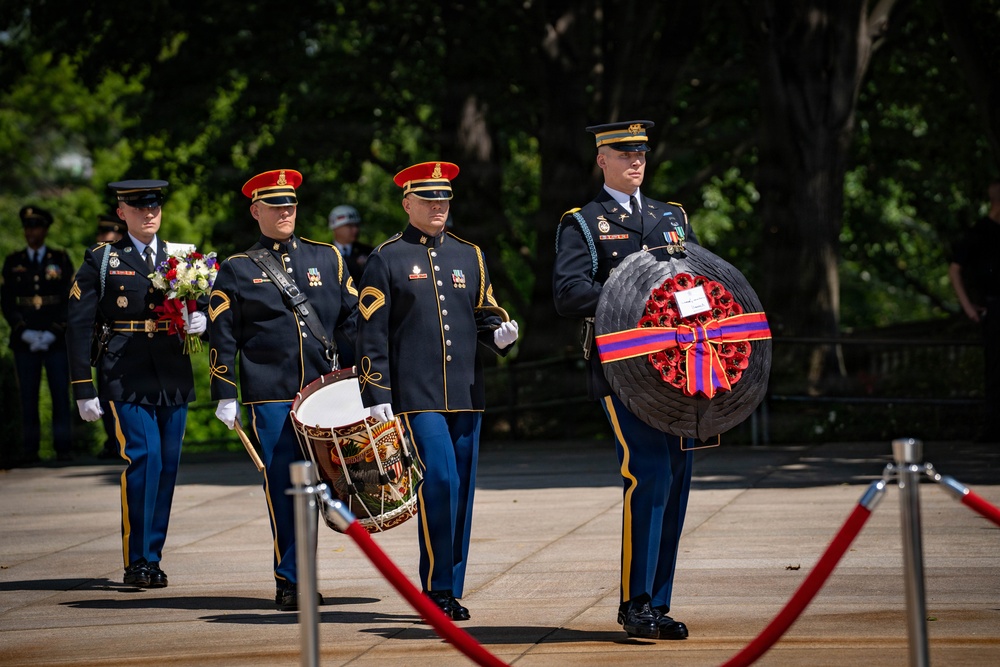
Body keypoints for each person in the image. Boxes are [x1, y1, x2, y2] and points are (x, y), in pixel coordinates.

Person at [356, 161, 519, 620]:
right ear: (407, 203)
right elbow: (371, 334)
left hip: (466, 393)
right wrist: (377, 394)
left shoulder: (470, 254)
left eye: (444, 199)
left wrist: (500, 334)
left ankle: (450, 588)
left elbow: (485, 312)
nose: (438, 207)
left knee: (461, 491)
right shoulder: (386, 258)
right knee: (441, 482)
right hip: (415, 396)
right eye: (428, 200)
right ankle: (437, 588)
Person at [552, 120, 696, 640]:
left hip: (680, 371)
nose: (635, 160)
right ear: (602, 160)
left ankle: (658, 603)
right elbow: (569, 294)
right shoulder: (585, 222)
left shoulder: (670, 216)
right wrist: (637, 294)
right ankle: (634, 602)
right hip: (624, 370)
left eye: (640, 152)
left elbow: (695, 279)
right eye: (623, 152)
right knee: (650, 473)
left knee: (676, 481)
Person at [208, 169, 358, 611]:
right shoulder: (236, 269)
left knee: (333, 484)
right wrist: (225, 390)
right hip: (271, 394)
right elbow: (223, 334)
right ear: (256, 211)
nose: (285, 212)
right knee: (286, 488)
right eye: (275, 206)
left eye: (290, 204)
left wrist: (370, 374)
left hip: (324, 394)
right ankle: (292, 579)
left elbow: (352, 321)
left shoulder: (327, 257)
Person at [66, 179, 207, 589]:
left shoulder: (184, 257)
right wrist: (82, 386)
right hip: (125, 373)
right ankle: (137, 560)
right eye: (139, 206)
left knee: (167, 467)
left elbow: (204, 305)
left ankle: (154, 556)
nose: (149, 213)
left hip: (173, 373)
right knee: (144, 459)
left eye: (155, 206)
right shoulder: (104, 260)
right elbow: (78, 325)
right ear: (122, 212)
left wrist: (203, 322)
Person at [1, 206, 75, 465]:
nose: (30, 232)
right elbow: (7, 301)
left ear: (45, 229)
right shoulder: (14, 262)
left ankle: (63, 448)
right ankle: (30, 449)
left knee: (59, 393)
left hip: (54, 338)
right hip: (26, 337)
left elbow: (69, 298)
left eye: (36, 226)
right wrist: (23, 330)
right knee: (28, 396)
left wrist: (55, 331)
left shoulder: (60, 258)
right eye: (27, 227)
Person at [949, 180, 1000, 442]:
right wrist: (968, 306)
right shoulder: (979, 233)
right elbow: (955, 268)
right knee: (994, 369)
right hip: (993, 306)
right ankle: (993, 428)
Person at [92, 210, 126, 460]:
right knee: (106, 393)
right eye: (104, 232)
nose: (107, 236)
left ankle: (120, 439)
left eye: (112, 232)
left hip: (126, 337)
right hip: (104, 337)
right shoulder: (94, 260)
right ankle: (111, 439)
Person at [329, 204, 374, 283]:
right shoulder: (324, 252)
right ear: (336, 227)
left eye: (357, 226)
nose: (355, 230)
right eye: (349, 226)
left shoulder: (369, 252)